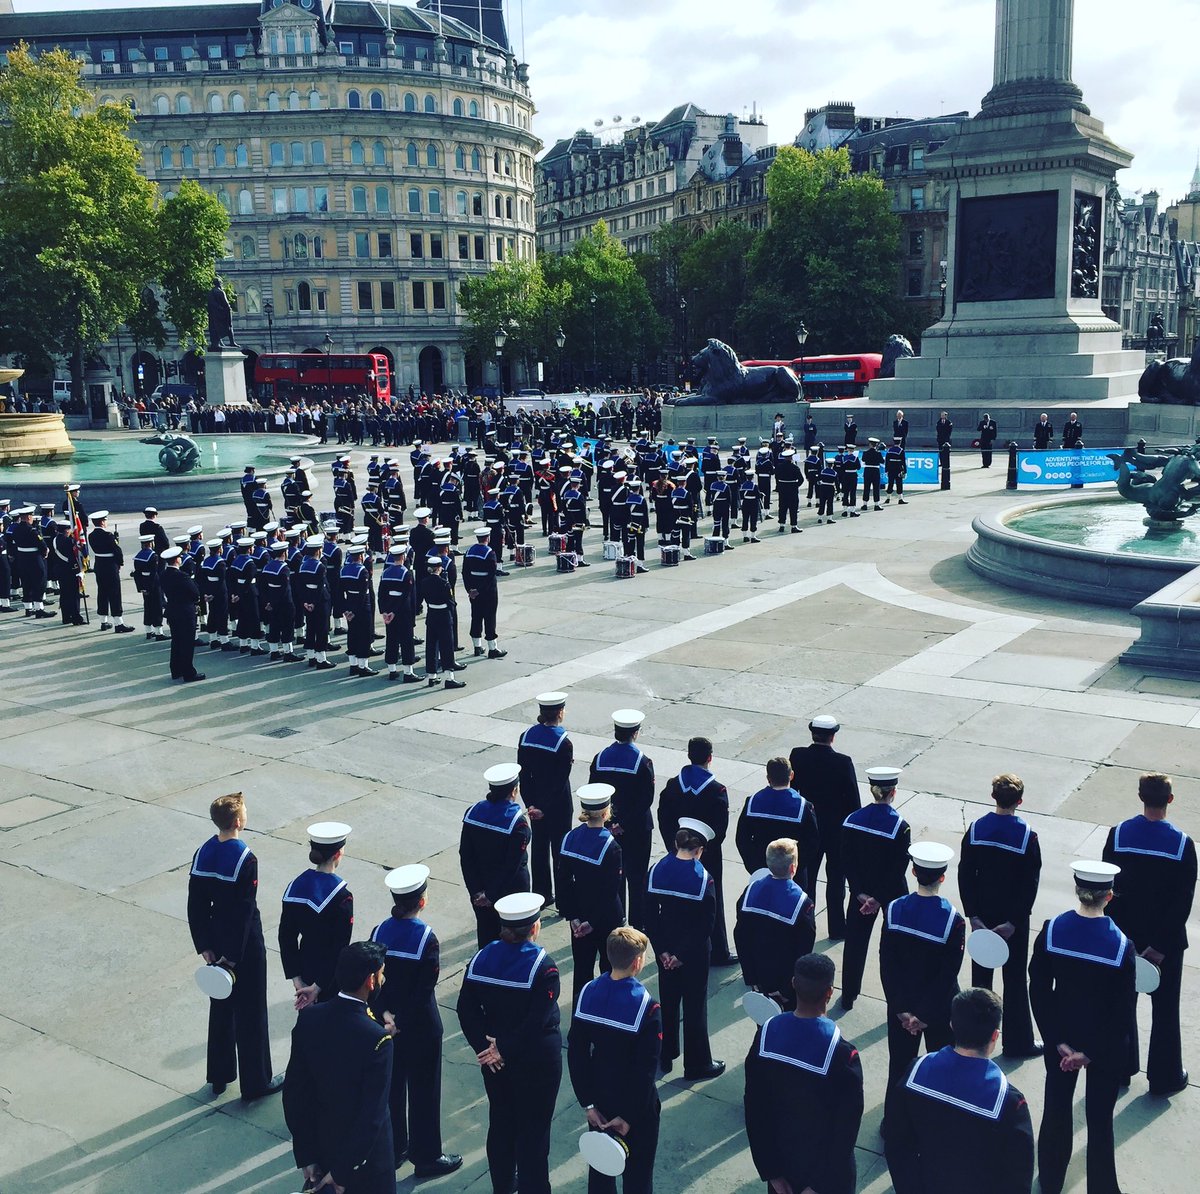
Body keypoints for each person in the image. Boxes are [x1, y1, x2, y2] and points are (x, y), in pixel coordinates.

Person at [1029, 861, 1137, 1194]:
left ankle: (1049, 1181)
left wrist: (1055, 1040)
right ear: (1109, 896)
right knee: (1100, 1123)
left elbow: (1038, 987)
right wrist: (1089, 1053)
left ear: (1079, 890)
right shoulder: (1121, 946)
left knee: (1056, 1112)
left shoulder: (1052, 930)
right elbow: (1123, 1013)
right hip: (1102, 1049)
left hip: (1061, 1036)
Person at [457, 892, 562, 1194]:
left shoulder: (481, 958)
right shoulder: (544, 968)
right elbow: (537, 1021)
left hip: (495, 1063)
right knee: (534, 1131)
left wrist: (486, 1049)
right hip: (535, 1061)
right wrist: (503, 1048)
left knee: (501, 1123)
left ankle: (503, 1187)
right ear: (534, 928)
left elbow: (466, 1009)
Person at [884, 987, 1035, 1194]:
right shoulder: (1009, 1103)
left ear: (952, 1025)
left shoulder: (915, 1073)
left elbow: (896, 1141)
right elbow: (1018, 1179)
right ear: (995, 1036)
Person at [1102, 771, 1196, 1096]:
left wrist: (1125, 942)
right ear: (1170, 799)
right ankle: (1165, 1076)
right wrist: (1158, 946)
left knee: (1121, 1005)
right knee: (1165, 1010)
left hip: (1124, 941)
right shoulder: (1183, 845)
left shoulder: (1117, 836)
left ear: (1140, 797)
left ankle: (1121, 1069)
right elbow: (1182, 903)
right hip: (1165, 947)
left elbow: (1109, 893)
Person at [186, 793, 281, 1101]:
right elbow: (243, 911)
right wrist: (233, 956)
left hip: (214, 937)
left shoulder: (203, 852)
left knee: (221, 1007)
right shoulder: (245, 858)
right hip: (243, 946)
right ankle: (256, 1082)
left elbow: (195, 905)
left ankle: (219, 1075)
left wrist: (205, 945)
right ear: (239, 822)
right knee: (251, 1013)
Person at [370, 865, 463, 1178]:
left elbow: (374, 981)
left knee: (393, 1089)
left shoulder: (379, 931)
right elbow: (424, 990)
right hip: (420, 1027)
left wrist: (385, 1015)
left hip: (386, 1025)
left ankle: (395, 1149)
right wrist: (402, 1020)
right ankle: (426, 1155)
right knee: (424, 1092)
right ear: (422, 901)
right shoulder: (427, 939)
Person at [743, 953, 864, 1194]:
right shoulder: (842, 1054)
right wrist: (820, 1185)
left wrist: (772, 1172)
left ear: (793, 984)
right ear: (829, 993)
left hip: (783, 1171)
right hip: (827, 1177)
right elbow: (845, 1128)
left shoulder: (766, 1037)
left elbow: (755, 1109)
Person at [282, 941, 395, 1194]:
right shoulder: (377, 1039)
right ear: (371, 981)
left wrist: (306, 1155)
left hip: (322, 1151)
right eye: (382, 973)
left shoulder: (309, 1019)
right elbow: (371, 1116)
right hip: (365, 1166)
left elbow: (294, 1094)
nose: (383, 978)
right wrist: (343, 1172)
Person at [569, 927, 662, 1194]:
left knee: (600, 1172)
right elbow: (646, 1070)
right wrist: (629, 1115)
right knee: (638, 1176)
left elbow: (577, 1053)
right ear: (637, 962)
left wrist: (587, 1103)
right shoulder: (648, 1007)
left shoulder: (588, 992)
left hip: (599, 1100)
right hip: (636, 1106)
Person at [958, 773, 1043, 1058]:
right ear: (1019, 801)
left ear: (993, 797)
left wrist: (974, 915)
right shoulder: (1027, 836)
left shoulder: (976, 828)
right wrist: (1014, 922)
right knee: (1015, 980)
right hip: (1011, 921)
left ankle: (977, 1039)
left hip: (983, 914)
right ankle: (1018, 1043)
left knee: (981, 981)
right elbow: (1029, 885)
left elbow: (965, 874)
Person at [880, 842, 965, 1090]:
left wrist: (900, 1008)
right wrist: (925, 1015)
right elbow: (948, 974)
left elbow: (887, 964)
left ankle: (893, 1123)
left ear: (914, 872)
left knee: (899, 1066)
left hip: (901, 1005)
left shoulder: (894, 910)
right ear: (942, 877)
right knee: (938, 1070)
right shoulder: (953, 920)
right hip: (938, 1009)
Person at [645, 818, 723, 1080]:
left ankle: (665, 1055)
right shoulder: (704, 880)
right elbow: (706, 925)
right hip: (694, 954)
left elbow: (650, 915)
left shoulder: (656, 871)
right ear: (699, 849)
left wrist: (664, 951)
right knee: (694, 1006)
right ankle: (698, 1063)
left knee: (667, 1002)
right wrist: (682, 955)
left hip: (664, 951)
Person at [838, 765, 911, 1010]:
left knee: (855, 943)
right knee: (895, 947)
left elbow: (845, 859)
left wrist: (859, 892)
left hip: (860, 892)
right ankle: (898, 996)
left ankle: (848, 993)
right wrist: (879, 898)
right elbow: (898, 867)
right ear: (893, 793)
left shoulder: (851, 820)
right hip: (891, 894)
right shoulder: (900, 826)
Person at [657, 736, 735, 965]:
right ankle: (718, 950)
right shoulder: (716, 790)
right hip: (706, 854)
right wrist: (703, 849)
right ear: (710, 758)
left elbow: (663, 818)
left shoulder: (673, 785)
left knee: (678, 899)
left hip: (678, 851)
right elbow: (720, 828)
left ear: (689, 755)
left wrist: (675, 846)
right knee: (712, 901)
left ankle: (677, 946)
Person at [789, 714, 861, 939]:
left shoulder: (798, 755)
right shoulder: (843, 762)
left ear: (813, 733)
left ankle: (805, 923)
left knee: (806, 879)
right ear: (833, 736)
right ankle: (837, 928)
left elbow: (793, 790)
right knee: (836, 880)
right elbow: (853, 803)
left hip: (808, 828)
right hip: (835, 830)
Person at [557, 783, 625, 1006]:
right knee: (610, 970)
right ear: (607, 813)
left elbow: (563, 882)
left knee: (582, 971)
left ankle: (580, 1024)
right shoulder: (611, 847)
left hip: (579, 915)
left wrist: (573, 917)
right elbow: (609, 891)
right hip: (605, 920)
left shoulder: (569, 838)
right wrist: (593, 922)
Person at [590, 709, 656, 931]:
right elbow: (645, 799)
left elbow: (595, 793)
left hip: (608, 828)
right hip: (636, 829)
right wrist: (624, 823)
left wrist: (610, 822)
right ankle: (638, 925)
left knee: (614, 877)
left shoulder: (599, 759)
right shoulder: (643, 762)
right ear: (635, 733)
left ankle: (617, 921)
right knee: (637, 879)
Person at [279, 822, 355, 1010]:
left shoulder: (294, 887)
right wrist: (319, 986)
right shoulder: (342, 897)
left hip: (304, 970)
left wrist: (298, 980)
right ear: (338, 854)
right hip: (330, 978)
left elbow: (286, 937)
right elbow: (339, 947)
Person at [734, 838, 816, 1012]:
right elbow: (803, 952)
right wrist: (787, 989)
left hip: (759, 979)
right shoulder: (802, 903)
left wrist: (752, 979)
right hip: (786, 986)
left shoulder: (750, 892)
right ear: (793, 868)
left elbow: (740, 937)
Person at [460, 763, 533, 948]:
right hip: (510, 892)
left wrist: (477, 891)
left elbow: (466, 856)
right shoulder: (518, 824)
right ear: (514, 791)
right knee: (515, 940)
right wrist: (492, 894)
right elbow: (512, 865)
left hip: (480, 889)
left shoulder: (472, 813)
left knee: (486, 937)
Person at [518, 691, 575, 906]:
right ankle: (563, 898)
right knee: (560, 851)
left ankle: (541, 894)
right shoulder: (563, 743)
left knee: (539, 849)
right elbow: (560, 781)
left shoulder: (525, 737)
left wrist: (532, 804)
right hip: (557, 805)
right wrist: (544, 806)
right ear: (560, 712)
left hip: (534, 801)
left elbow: (523, 774)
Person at [735, 756, 820, 892]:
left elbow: (742, 839)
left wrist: (755, 867)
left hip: (761, 872)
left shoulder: (752, 802)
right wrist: (795, 867)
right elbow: (812, 843)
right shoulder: (803, 806)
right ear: (791, 775)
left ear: (768, 777)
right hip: (793, 876)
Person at [160, 545, 205, 681]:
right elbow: (195, 592)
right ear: (176, 560)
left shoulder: (164, 574)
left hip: (173, 610)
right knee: (186, 643)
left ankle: (176, 670)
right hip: (185, 612)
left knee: (177, 642)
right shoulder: (182, 576)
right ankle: (188, 672)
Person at [463, 524, 507, 659]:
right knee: (489, 618)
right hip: (488, 592)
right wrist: (480, 590)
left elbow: (465, 572)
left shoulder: (469, 551)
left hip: (473, 591)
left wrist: (470, 590)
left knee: (476, 617)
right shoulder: (490, 553)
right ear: (487, 538)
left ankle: (477, 647)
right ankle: (492, 648)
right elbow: (490, 575)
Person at [421, 552, 465, 689]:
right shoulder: (444, 583)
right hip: (444, 616)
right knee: (447, 647)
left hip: (432, 614)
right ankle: (449, 677)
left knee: (431, 646)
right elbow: (450, 602)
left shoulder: (424, 582)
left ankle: (432, 676)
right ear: (439, 568)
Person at [377, 541, 419, 682]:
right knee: (407, 641)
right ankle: (408, 672)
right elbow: (407, 595)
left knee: (392, 639)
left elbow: (381, 594)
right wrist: (394, 611)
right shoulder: (406, 574)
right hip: (403, 611)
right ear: (403, 556)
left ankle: (392, 670)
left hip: (388, 610)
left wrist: (384, 611)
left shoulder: (385, 573)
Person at [87, 511, 132, 631]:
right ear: (102, 522)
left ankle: (103, 621)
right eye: (105, 520)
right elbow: (117, 551)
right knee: (115, 593)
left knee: (102, 593)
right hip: (110, 566)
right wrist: (120, 563)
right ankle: (119, 623)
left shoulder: (91, 535)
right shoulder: (108, 535)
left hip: (99, 565)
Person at [341, 543, 377, 676]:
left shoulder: (343, 570)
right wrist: (354, 611)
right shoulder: (363, 571)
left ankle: (353, 665)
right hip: (362, 608)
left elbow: (339, 592)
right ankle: (363, 666)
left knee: (352, 635)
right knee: (364, 636)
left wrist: (346, 610)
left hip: (349, 604)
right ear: (361, 556)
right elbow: (363, 594)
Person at [50, 515, 84, 626]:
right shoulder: (68, 541)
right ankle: (76, 617)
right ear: (67, 530)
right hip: (69, 570)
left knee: (64, 594)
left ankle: (66, 617)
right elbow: (71, 557)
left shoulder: (55, 539)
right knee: (73, 595)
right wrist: (78, 569)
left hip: (59, 570)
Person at [860, 437, 884, 510]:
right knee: (876, 488)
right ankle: (876, 504)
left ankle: (865, 504)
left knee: (866, 487)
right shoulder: (878, 453)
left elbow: (863, 460)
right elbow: (882, 461)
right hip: (875, 471)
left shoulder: (865, 453)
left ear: (870, 444)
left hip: (867, 470)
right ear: (876, 445)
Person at [885, 438, 908, 504]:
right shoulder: (901, 450)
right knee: (899, 484)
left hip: (890, 469)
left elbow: (887, 461)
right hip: (898, 469)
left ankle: (888, 498)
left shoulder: (889, 450)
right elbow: (903, 462)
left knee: (890, 483)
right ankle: (900, 499)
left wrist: (886, 470)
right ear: (900, 442)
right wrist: (905, 471)